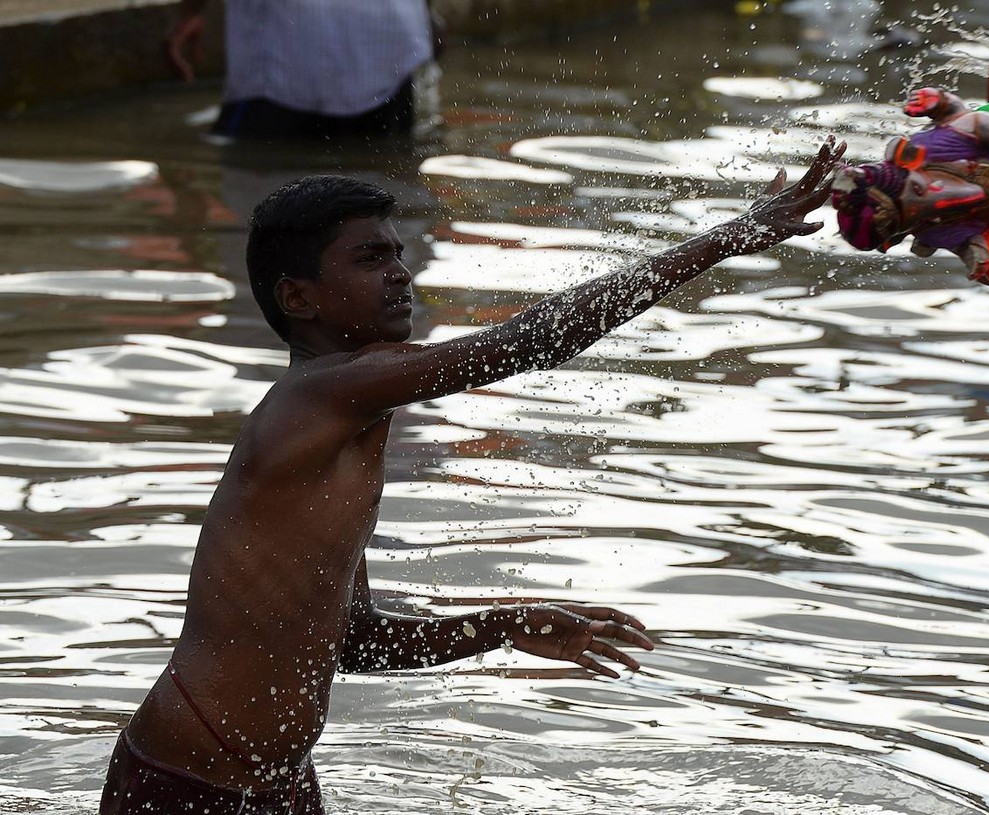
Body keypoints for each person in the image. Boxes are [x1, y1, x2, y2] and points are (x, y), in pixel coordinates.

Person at [98, 137, 847, 813]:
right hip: (187, 783)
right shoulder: (318, 392)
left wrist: (505, 623)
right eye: (369, 259)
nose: (399, 273)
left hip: (278, 780)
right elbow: (529, 342)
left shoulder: (347, 422)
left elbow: (356, 642)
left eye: (398, 254)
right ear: (299, 297)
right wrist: (728, 237)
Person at [167, 0, 443, 139]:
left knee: (258, 182)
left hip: (290, 58)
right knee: (382, 182)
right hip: (390, 46)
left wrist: (191, 13)